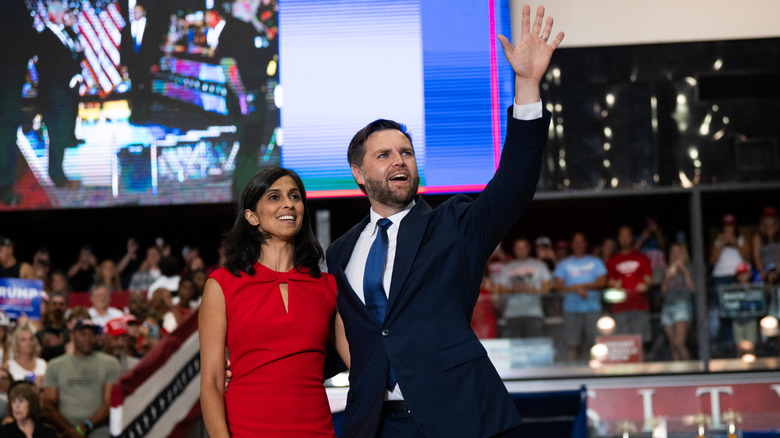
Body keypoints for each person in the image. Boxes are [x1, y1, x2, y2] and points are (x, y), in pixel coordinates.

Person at [324, 6, 562, 437]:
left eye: (406, 153)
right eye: (384, 155)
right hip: (376, 425)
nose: (399, 161)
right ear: (358, 173)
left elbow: (513, 184)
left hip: (459, 417)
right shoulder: (340, 252)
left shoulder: (455, 225)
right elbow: (351, 336)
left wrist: (527, 85)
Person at [200, 167, 348, 437]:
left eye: (295, 196)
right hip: (246, 429)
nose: (288, 204)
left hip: (316, 430)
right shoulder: (222, 285)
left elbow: (361, 362)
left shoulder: (328, 286)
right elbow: (210, 381)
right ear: (251, 216)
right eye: (274, 197)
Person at [34, 0, 84, 188]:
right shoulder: (45, 37)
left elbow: (73, 56)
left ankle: (59, 172)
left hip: (65, 95)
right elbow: (49, 67)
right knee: (56, 137)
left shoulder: (65, 33)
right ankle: (56, 175)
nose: (64, 12)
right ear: (52, 13)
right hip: (53, 96)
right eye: (61, 9)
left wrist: (76, 74)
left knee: (61, 135)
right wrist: (69, 78)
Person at [42, 319, 120, 438]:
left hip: (98, 430)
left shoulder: (110, 363)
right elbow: (48, 403)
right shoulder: (55, 365)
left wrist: (84, 427)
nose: (88, 338)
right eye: (83, 334)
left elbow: (110, 404)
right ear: (72, 336)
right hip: (65, 431)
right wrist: (70, 430)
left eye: (91, 334)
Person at [0, 0, 36, 205]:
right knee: (6, 133)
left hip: (11, 76)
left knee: (7, 132)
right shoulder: (16, 9)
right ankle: (5, 187)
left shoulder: (17, 8)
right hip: (10, 74)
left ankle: (5, 187)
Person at [553, 232, 607, 362]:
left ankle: (598, 373)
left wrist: (579, 286)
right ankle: (571, 374)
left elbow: (602, 282)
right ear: (571, 245)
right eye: (575, 242)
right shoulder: (563, 264)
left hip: (592, 308)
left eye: (581, 241)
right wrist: (578, 289)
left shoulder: (596, 262)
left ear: (586, 244)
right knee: (572, 345)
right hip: (571, 309)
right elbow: (558, 285)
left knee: (596, 344)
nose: (578, 244)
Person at [495, 238, 551, 338]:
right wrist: (513, 290)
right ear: (514, 249)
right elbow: (501, 290)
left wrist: (533, 291)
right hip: (512, 314)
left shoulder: (539, 265)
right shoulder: (507, 267)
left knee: (535, 344)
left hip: (534, 313)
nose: (521, 251)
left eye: (524, 248)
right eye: (518, 248)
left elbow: (547, 288)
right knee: (515, 346)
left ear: (529, 248)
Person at [607, 225, 653, 344]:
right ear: (619, 238)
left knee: (640, 343)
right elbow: (609, 281)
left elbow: (649, 280)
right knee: (623, 343)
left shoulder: (642, 258)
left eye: (627, 236)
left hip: (639, 306)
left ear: (632, 237)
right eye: (622, 236)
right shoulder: (612, 261)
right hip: (620, 308)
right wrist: (614, 285)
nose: (625, 239)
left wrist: (645, 285)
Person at [660, 243, 694, 361]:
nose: (675, 255)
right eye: (673, 252)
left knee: (679, 342)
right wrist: (667, 278)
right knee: (673, 345)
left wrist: (684, 271)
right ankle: (679, 370)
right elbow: (663, 292)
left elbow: (692, 289)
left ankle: (690, 372)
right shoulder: (667, 270)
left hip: (682, 305)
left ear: (683, 254)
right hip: (667, 307)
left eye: (678, 252)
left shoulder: (689, 268)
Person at [7, 325, 47, 390]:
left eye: (31, 339)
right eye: (23, 340)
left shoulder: (42, 363)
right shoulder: (9, 366)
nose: (28, 343)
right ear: (16, 344)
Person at [35, 292, 69, 362]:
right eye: (54, 304)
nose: (58, 307)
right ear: (49, 306)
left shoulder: (70, 334)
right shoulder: (40, 334)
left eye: (61, 304)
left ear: (66, 307)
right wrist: (43, 347)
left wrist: (62, 346)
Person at [752, 206, 780, 282]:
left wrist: (777, 271)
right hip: (764, 268)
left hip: (778, 268)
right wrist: (764, 274)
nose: (769, 219)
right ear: (763, 219)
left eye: (771, 217)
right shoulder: (758, 236)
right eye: (766, 217)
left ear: (775, 219)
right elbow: (756, 256)